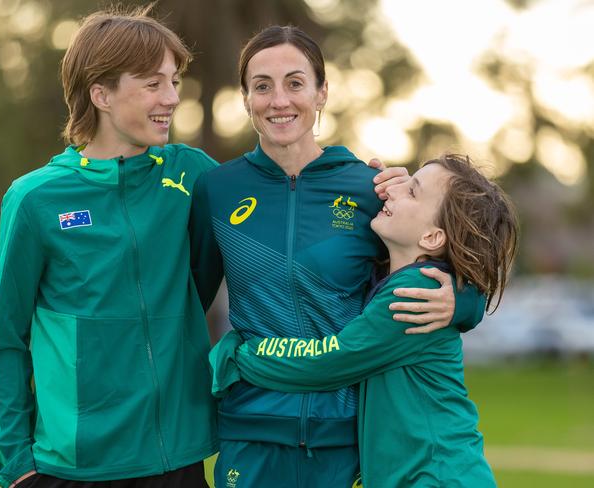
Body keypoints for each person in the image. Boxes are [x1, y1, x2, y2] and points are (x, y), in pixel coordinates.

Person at [189, 26, 484, 488]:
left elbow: (438, 261)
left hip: (345, 440)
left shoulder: (371, 190)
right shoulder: (217, 189)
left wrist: (465, 304)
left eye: (295, 83)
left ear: (322, 92)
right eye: (262, 86)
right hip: (252, 432)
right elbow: (189, 298)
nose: (279, 100)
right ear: (245, 98)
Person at [0, 6, 221, 488]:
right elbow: (6, 340)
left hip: (177, 461)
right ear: (101, 94)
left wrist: (377, 190)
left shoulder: (193, 174)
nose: (172, 97)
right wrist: (17, 465)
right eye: (153, 83)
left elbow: (280, 201)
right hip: (72, 468)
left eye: (174, 81)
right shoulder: (35, 199)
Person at [211, 154, 519, 487]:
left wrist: (241, 355)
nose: (392, 192)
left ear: (431, 238)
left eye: (412, 191)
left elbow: (329, 360)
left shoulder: (414, 294)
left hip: (438, 477)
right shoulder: (404, 281)